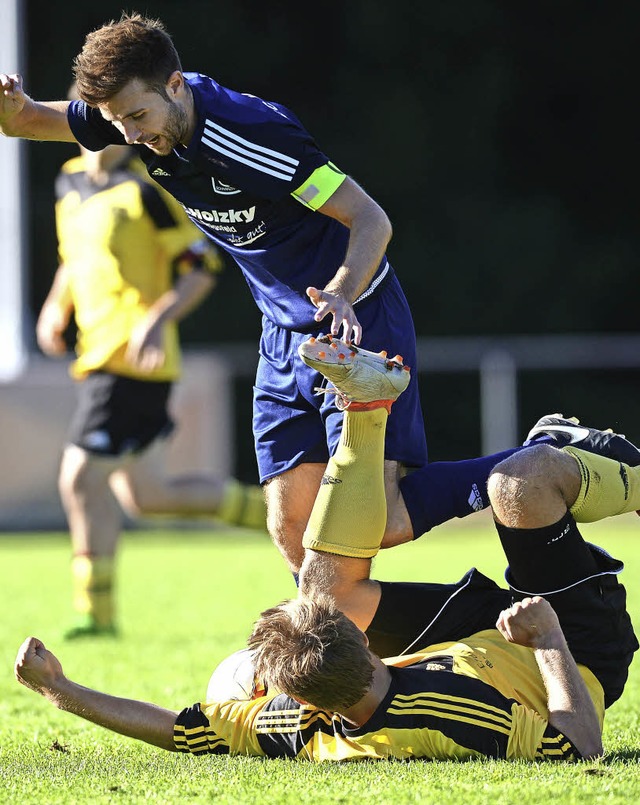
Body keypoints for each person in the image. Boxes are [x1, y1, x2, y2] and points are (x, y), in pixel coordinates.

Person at [0, 11, 562, 577]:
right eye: (116, 123)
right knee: (290, 524)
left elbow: (371, 219)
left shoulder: (251, 136)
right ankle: (342, 658)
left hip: (355, 325)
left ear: (175, 85)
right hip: (281, 336)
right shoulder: (136, 115)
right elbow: (26, 121)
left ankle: (541, 462)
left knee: (379, 520)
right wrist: (9, 107)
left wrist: (342, 291)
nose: (129, 137)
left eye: (137, 118)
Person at [15, 339, 639, 761]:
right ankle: (596, 466)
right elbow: (579, 746)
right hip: (571, 646)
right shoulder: (453, 714)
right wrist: (551, 637)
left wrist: (59, 689)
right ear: (369, 647)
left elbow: (175, 730)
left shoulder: (297, 723)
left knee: (322, 591)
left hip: (471, 637)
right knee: (518, 484)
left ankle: (366, 408)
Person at [36, 138, 265, 639]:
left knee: (78, 479)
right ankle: (282, 518)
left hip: (134, 363)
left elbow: (201, 268)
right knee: (149, 496)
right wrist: (58, 305)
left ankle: (94, 612)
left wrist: (156, 321)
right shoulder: (68, 180)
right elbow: (71, 258)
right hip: (96, 359)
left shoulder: (146, 192)